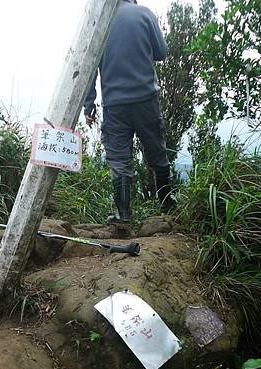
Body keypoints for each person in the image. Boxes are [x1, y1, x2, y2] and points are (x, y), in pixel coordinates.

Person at [84, 0, 175, 231]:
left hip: (114, 104)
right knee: (156, 150)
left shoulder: (100, 22)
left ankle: (122, 215)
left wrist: (89, 104)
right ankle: (166, 204)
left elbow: (89, 67)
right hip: (146, 99)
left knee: (118, 158)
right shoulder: (144, 14)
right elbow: (162, 53)